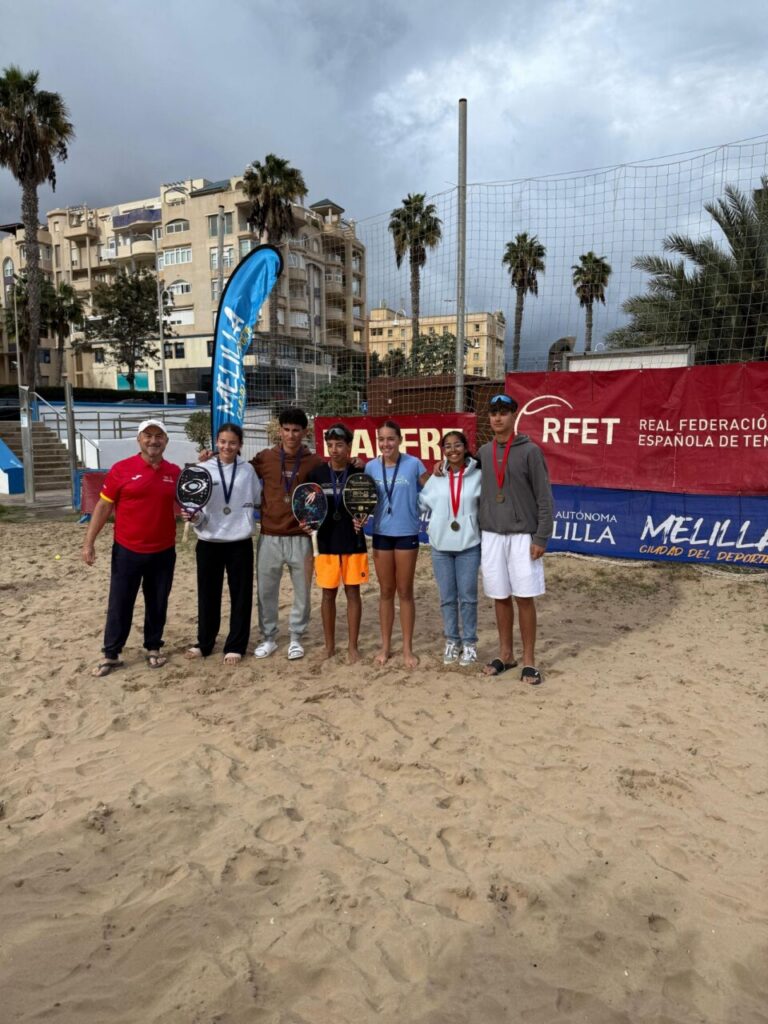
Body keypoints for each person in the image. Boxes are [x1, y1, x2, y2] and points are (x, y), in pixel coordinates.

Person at [82, 419, 181, 677]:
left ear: (166, 441)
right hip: (127, 550)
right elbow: (103, 507)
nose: (153, 441)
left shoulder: (174, 472)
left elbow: (190, 501)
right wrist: (89, 542)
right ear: (139, 440)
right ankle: (111, 653)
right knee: (120, 603)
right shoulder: (121, 469)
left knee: (157, 602)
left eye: (159, 436)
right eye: (148, 436)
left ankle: (153, 647)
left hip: (163, 550)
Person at [478, 394, 553, 684]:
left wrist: (541, 537)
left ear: (513, 416)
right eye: (493, 412)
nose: (497, 418)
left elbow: (544, 497)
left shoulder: (531, 451)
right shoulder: (484, 452)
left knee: (524, 597)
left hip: (523, 536)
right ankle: (506, 655)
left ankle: (529, 661)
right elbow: (463, 474)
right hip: (493, 534)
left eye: (504, 412)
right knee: (499, 596)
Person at [183, 422, 262, 665]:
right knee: (208, 594)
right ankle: (205, 642)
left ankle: (236, 644)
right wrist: (194, 517)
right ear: (216, 442)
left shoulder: (247, 470)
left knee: (241, 596)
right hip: (209, 540)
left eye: (233, 442)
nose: (227, 446)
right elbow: (196, 506)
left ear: (240, 445)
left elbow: (257, 500)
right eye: (223, 441)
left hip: (239, 541)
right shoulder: (202, 469)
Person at [251, 407, 324, 661]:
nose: (291, 435)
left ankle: (296, 638)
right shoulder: (264, 458)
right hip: (269, 535)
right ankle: (269, 637)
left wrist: (356, 463)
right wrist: (211, 455)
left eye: (296, 430)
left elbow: (333, 478)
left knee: (302, 591)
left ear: (304, 432)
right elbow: (236, 470)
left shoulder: (314, 461)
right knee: (266, 591)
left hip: (300, 537)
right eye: (286, 430)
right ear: (279, 430)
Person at [365, 420, 429, 669]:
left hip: (406, 533)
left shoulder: (413, 464)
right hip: (381, 533)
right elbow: (363, 497)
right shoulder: (371, 467)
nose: (385, 444)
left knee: (405, 591)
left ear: (400, 440)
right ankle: (385, 646)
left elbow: (433, 490)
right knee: (385, 592)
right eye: (381, 439)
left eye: (390, 439)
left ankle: (407, 649)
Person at [419, 430, 482, 666]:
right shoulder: (436, 478)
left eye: (457, 445)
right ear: (442, 451)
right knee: (447, 598)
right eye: (447, 446)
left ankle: (469, 643)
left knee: (468, 598)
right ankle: (452, 641)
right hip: (440, 547)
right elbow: (420, 505)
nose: (452, 450)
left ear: (465, 448)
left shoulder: (479, 476)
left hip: (468, 546)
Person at [307, 422, 368, 663]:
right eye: (330, 445)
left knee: (353, 593)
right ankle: (329, 646)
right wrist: (307, 521)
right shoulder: (317, 475)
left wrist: (363, 517)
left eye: (339, 445)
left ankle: (353, 646)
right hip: (326, 544)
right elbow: (308, 507)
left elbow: (367, 504)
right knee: (328, 595)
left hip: (353, 542)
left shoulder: (358, 473)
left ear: (349, 447)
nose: (334, 450)